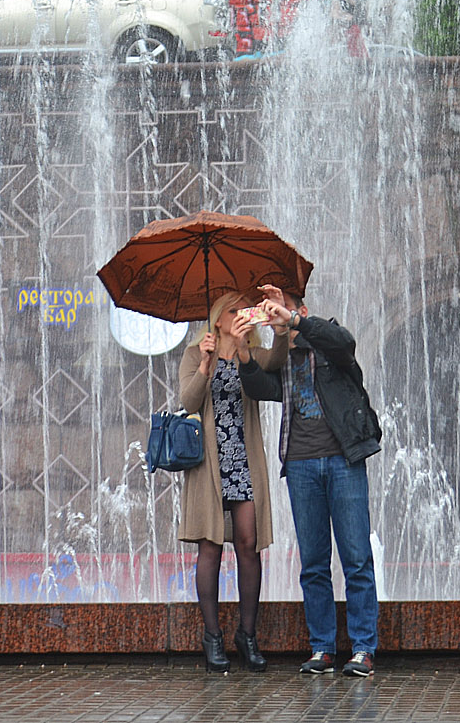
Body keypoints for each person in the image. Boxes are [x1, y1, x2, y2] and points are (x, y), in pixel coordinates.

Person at [239, 284, 381, 677]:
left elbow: (345, 343)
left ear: (301, 311)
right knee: (314, 563)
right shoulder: (282, 356)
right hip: (301, 465)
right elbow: (263, 388)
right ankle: (322, 648)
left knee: (356, 557)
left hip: (343, 460)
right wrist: (245, 355)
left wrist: (294, 320)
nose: (276, 315)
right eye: (271, 311)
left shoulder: (328, 344)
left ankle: (363, 648)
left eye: (283, 308)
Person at [176, 291, 273, 673]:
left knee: (249, 545)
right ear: (218, 319)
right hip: (209, 466)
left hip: (244, 461)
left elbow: (278, 363)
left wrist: (278, 330)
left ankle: (247, 635)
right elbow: (188, 403)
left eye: (245, 310)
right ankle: (212, 636)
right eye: (235, 310)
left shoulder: (253, 353)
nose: (241, 315)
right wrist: (205, 364)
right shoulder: (196, 353)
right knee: (210, 546)